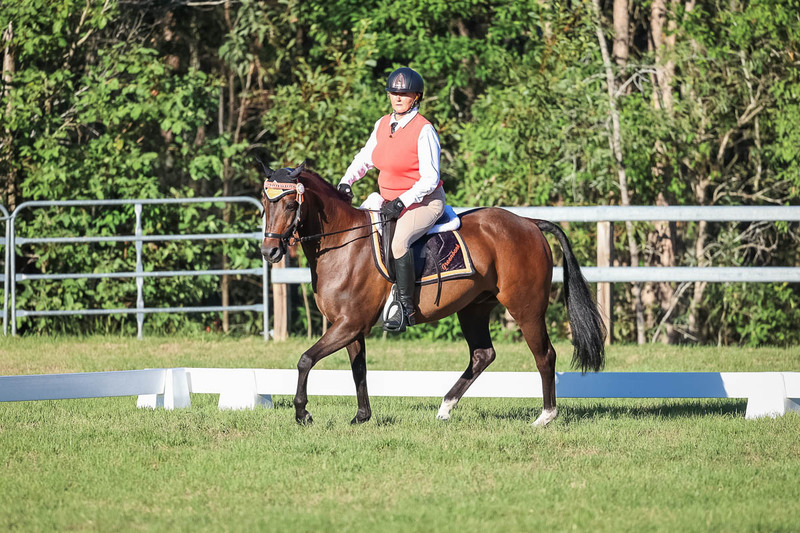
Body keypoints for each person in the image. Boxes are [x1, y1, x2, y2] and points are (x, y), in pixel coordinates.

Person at [338, 67, 445, 332]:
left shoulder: (424, 130)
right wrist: (346, 180)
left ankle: (405, 305)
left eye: (404, 94)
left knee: (398, 243)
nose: (397, 98)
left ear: (416, 97)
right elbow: (365, 157)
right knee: (359, 232)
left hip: (424, 202)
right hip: (387, 199)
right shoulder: (383, 123)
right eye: (394, 93)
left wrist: (403, 201)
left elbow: (430, 178)